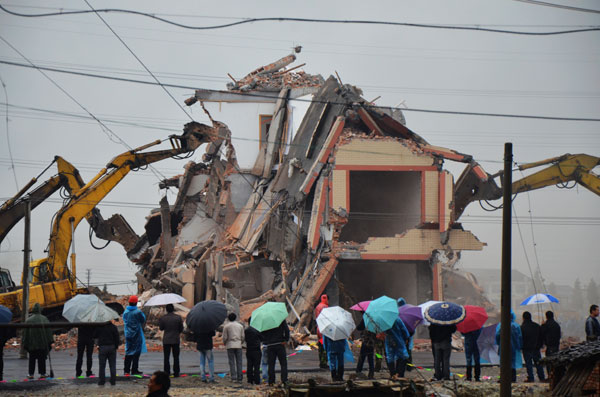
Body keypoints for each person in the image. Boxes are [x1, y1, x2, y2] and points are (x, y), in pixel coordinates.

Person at [22, 303, 53, 379]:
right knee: (42, 358)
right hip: (42, 344)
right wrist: (50, 342)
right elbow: (48, 332)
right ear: (40, 310)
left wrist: (25, 343)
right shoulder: (44, 319)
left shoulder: (28, 320)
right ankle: (42, 373)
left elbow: (25, 333)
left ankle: (31, 374)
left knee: (32, 359)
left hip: (32, 344)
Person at [495, 311, 523, 383]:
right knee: (512, 362)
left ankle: (503, 378)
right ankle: (513, 378)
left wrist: (498, 343)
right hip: (513, 347)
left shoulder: (501, 325)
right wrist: (519, 346)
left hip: (503, 346)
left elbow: (497, 336)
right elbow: (519, 337)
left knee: (503, 362)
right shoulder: (516, 326)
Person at [123, 295, 147, 375]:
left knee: (128, 351)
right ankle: (134, 369)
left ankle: (126, 370)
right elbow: (143, 319)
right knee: (136, 352)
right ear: (136, 303)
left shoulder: (126, 312)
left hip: (128, 334)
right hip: (136, 334)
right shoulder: (138, 312)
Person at [261, 319, 289, 386]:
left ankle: (271, 381)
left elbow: (262, 333)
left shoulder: (266, 321)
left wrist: (266, 341)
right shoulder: (280, 319)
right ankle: (284, 380)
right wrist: (286, 339)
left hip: (270, 345)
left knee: (271, 364)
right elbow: (287, 330)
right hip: (280, 343)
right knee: (283, 363)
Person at [159, 304, 183, 377]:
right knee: (176, 357)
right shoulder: (178, 318)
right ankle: (176, 372)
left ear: (166, 310)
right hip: (175, 339)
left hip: (166, 340)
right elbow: (181, 329)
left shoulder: (163, 318)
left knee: (166, 357)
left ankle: (167, 372)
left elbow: (161, 328)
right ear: (173, 309)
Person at [95, 317, 121, 386]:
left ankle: (101, 381)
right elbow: (117, 338)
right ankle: (113, 381)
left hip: (102, 347)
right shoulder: (113, 327)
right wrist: (116, 346)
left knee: (102, 366)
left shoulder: (99, 327)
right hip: (112, 347)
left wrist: (97, 344)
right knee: (112, 365)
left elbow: (94, 336)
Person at [520, 311, 545, 383]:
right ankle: (542, 377)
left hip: (526, 348)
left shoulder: (522, 327)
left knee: (529, 364)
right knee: (538, 363)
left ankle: (531, 378)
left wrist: (521, 347)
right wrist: (540, 345)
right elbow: (541, 337)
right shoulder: (537, 326)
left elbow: (521, 338)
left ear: (523, 318)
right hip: (536, 348)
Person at [222, 312, 245, 382]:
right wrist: (241, 342)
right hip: (238, 344)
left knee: (231, 362)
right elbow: (243, 336)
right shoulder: (240, 326)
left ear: (228, 318)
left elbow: (225, 337)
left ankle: (233, 377)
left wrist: (225, 343)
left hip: (230, 344)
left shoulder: (226, 326)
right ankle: (240, 377)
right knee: (239, 361)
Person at [397, 298, 414, 372]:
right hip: (408, 335)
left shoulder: (398, 312)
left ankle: (403, 367)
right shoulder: (408, 311)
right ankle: (409, 367)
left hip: (402, 336)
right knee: (408, 352)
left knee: (403, 352)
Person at [244, 317, 263, 385]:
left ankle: (250, 379)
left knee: (249, 365)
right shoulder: (257, 330)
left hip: (249, 349)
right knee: (256, 366)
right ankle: (257, 380)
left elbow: (245, 339)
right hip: (256, 350)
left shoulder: (246, 330)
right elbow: (262, 338)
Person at [314, 294, 329, 369]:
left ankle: (321, 362)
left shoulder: (318, 306)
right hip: (324, 329)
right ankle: (324, 363)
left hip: (319, 329)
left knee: (320, 347)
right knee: (325, 347)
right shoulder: (325, 307)